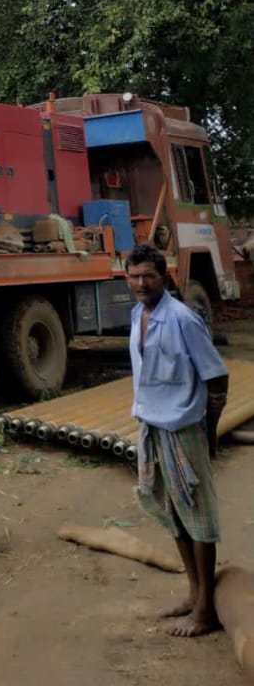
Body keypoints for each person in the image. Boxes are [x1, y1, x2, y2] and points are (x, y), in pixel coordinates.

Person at [126, 243, 229, 637]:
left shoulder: (183, 319)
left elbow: (217, 378)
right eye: (134, 276)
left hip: (183, 430)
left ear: (164, 275)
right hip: (152, 426)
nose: (140, 283)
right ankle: (193, 593)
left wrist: (211, 432)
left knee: (200, 519)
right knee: (173, 515)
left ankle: (206, 611)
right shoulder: (138, 315)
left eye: (148, 276)